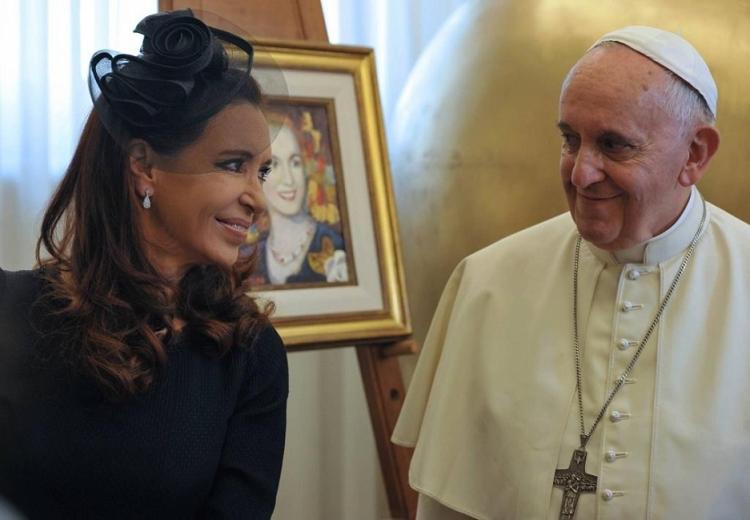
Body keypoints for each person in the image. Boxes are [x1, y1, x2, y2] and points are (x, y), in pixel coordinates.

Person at [393, 26, 750, 520]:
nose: (581, 173)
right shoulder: (488, 285)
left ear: (695, 154)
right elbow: (446, 505)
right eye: (570, 139)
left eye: (614, 144)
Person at [0, 10, 288, 519]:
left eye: (260, 172)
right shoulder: (10, 312)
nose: (257, 199)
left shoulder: (249, 354)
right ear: (145, 166)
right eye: (232, 165)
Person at [251, 116, 348, 286]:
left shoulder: (337, 246)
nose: (289, 180)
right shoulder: (247, 259)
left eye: (295, 163)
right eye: (273, 165)